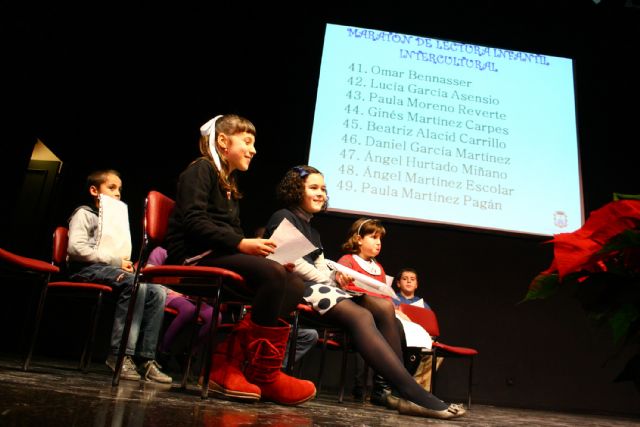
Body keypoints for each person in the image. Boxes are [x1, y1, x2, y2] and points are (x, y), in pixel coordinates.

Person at [263, 165, 465, 420]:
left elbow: (319, 265)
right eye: (313, 187)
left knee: (382, 306)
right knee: (361, 316)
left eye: (323, 189)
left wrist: (335, 276)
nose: (321, 193)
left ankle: (387, 390)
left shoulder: (312, 230)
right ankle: (410, 391)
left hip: (317, 287)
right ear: (295, 190)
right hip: (296, 288)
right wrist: (331, 279)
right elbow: (293, 264)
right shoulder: (284, 216)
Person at [163, 114, 315, 406]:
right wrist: (241, 243)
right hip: (195, 257)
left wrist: (264, 252)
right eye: (247, 141)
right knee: (273, 277)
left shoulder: (228, 182)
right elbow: (194, 222)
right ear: (223, 141)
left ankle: (257, 370)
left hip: (219, 253)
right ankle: (228, 365)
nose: (253, 150)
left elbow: (229, 231)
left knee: (293, 284)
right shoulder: (201, 169)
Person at [66, 169, 172, 384]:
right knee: (135, 286)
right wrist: (116, 262)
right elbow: (75, 249)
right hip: (86, 270)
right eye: (111, 188)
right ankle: (121, 354)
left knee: (157, 291)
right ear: (94, 190)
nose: (117, 193)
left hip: (110, 271)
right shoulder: (84, 213)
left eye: (119, 189)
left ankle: (145, 358)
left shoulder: (116, 221)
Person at [337, 218, 433, 404]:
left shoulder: (377, 267)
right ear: (358, 239)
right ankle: (383, 386)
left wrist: (397, 312)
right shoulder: (348, 260)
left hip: (379, 314)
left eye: (380, 239)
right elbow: (340, 281)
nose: (378, 242)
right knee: (373, 325)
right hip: (357, 312)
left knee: (399, 327)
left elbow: (384, 295)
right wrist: (343, 279)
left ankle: (383, 388)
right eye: (373, 237)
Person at [253, 226, 319, 371]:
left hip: (278, 321)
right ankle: (258, 367)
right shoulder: (252, 266)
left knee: (310, 335)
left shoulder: (276, 269)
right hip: (256, 321)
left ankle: (272, 369)